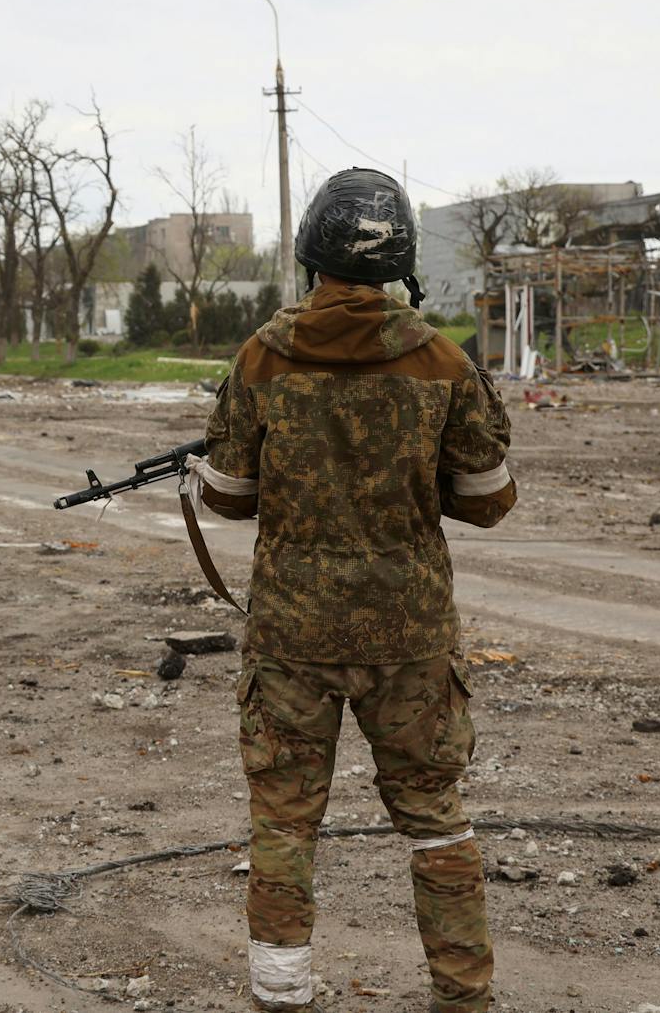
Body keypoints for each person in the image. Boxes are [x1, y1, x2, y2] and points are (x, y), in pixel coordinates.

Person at [193, 168, 516, 1013]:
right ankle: (463, 994)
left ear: (311, 254)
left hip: (294, 636)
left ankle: (283, 991)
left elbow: (226, 500)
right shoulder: (444, 359)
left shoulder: (260, 355)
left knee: (285, 820)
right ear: (400, 259)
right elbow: (488, 503)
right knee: (437, 815)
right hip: (409, 637)